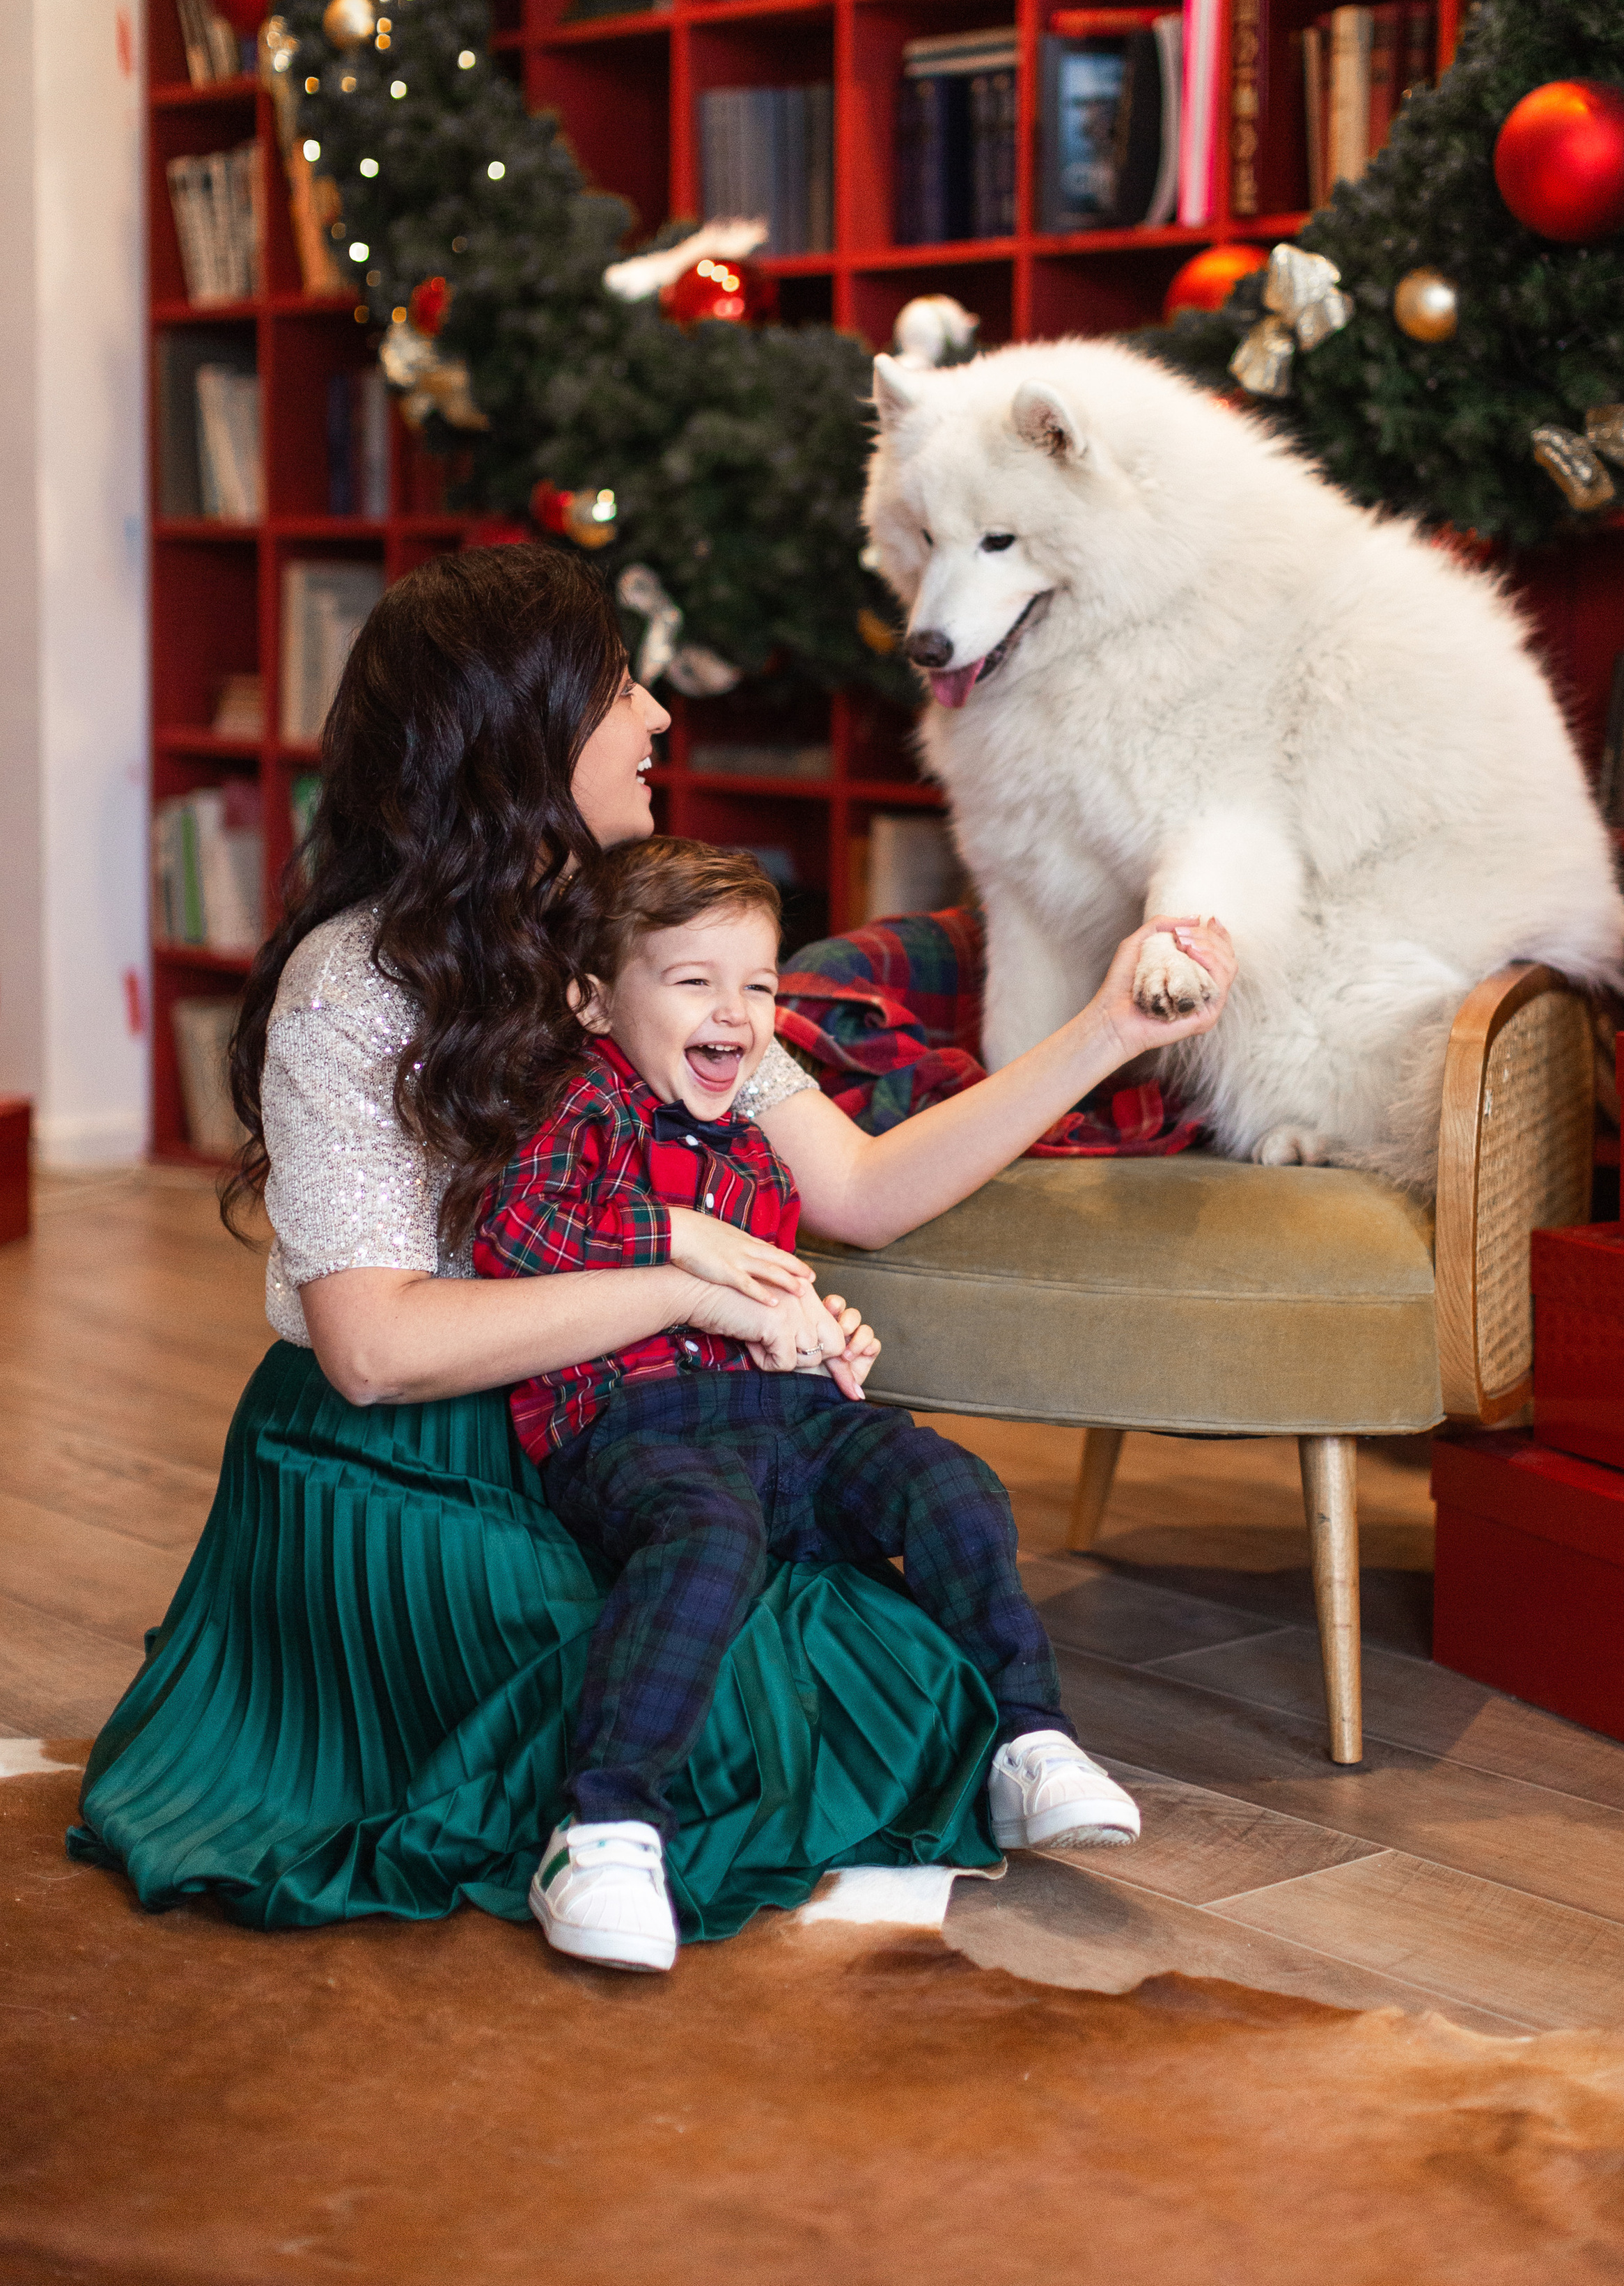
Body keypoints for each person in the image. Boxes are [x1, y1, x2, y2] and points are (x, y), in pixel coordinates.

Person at [70, 543, 1232, 1943]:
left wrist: (1109, 1028)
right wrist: (684, 1279)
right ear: (528, 725)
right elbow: (372, 1350)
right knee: (715, 1714)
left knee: (898, 1685)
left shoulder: (643, 938)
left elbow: (854, 1188)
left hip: (638, 1419)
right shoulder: (357, 985)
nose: (659, 718)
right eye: (624, 685)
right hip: (402, 1461)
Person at [478, 835, 1235, 1971]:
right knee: (708, 1540)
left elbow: (796, 1263)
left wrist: (822, 1328)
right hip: (633, 1425)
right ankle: (605, 1827)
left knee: (950, 1487)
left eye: (760, 986)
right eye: (693, 982)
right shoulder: (583, 1111)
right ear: (594, 1000)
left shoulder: (754, 1141)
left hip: (786, 1416)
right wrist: (686, 1247)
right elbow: (510, 1232)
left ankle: (1029, 1740)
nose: (736, 1012)